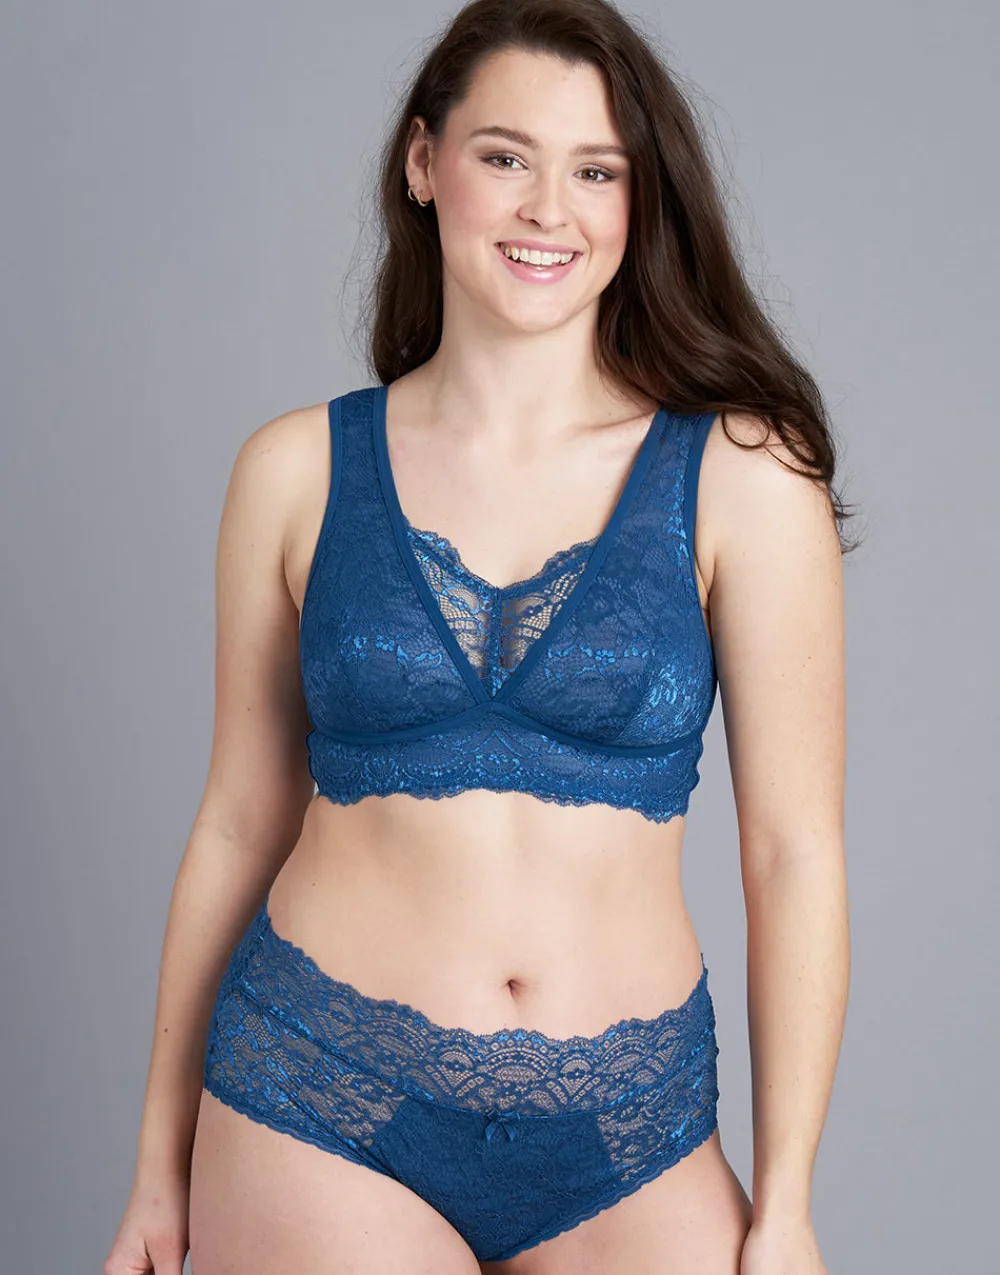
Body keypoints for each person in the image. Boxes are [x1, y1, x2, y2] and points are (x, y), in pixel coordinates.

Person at [104, 1, 851, 1272]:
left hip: (631, 1128)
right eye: (505, 155)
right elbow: (236, 820)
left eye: (597, 171)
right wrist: (154, 1174)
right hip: (319, 1096)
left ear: (639, 200)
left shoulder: (744, 476)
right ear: (423, 162)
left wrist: (785, 1204)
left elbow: (792, 852)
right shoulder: (294, 471)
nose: (547, 209)